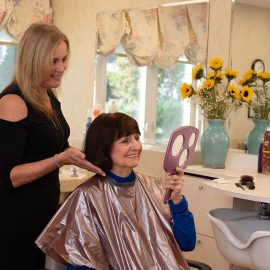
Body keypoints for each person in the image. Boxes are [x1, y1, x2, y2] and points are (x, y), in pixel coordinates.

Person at [0, 23, 105, 270]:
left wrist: (99, 156)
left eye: (64, 59)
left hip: (43, 216)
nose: (61, 68)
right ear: (34, 60)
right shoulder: (13, 102)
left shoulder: (48, 96)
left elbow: (58, 146)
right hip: (16, 221)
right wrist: (59, 160)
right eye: (54, 61)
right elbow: (8, 177)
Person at [36, 112, 196, 270]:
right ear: (104, 146)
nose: (136, 146)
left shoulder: (153, 186)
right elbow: (80, 263)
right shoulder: (87, 196)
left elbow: (186, 243)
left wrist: (177, 201)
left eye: (137, 138)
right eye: (125, 141)